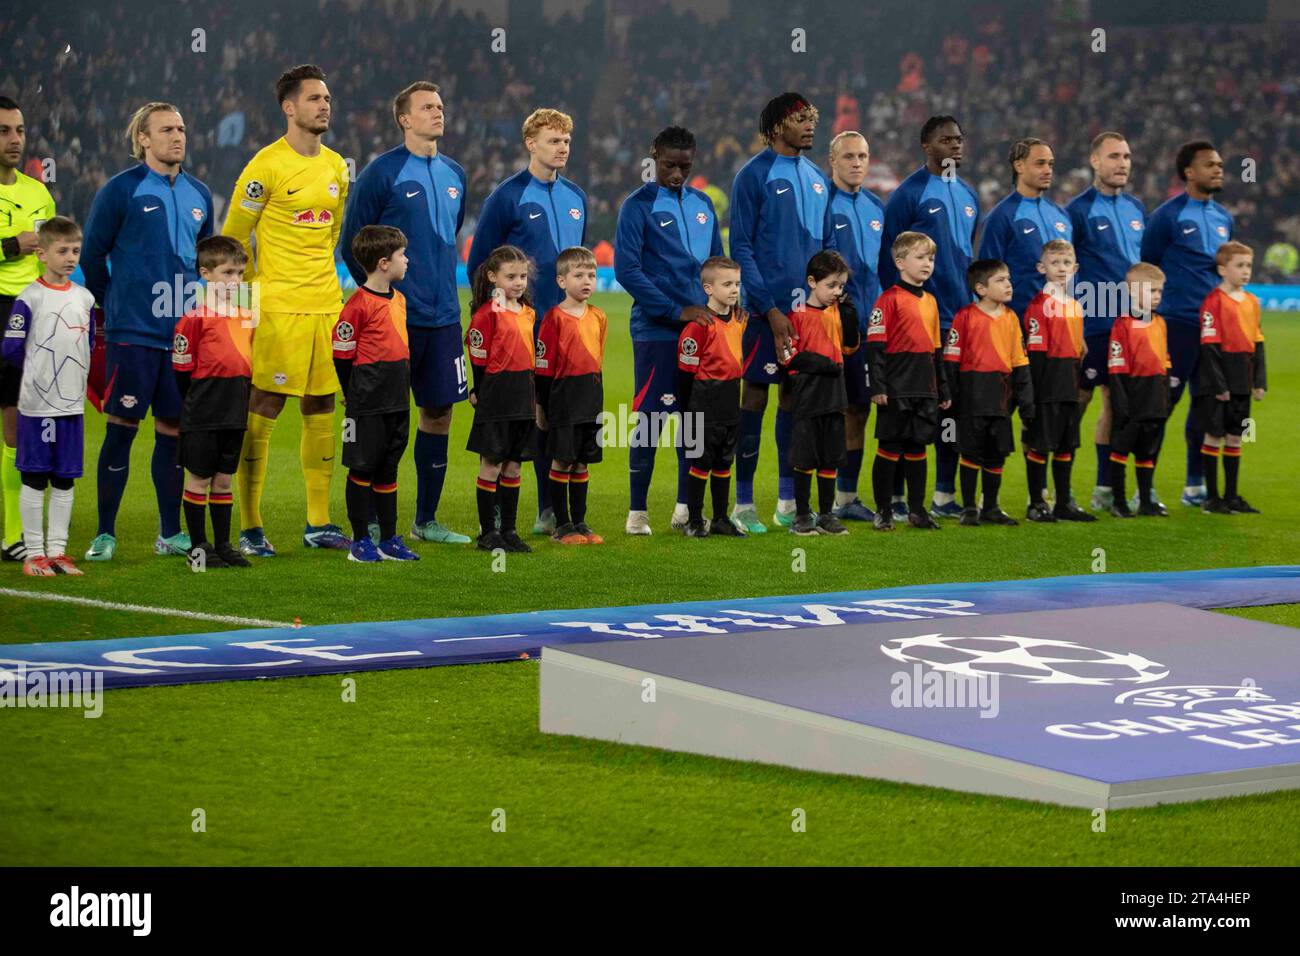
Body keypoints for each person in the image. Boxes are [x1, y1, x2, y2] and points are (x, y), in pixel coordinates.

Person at [222, 64, 351, 556]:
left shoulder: (337, 166)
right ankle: (251, 527)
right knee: (265, 407)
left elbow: (332, 234)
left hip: (325, 304)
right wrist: (253, 290)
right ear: (289, 107)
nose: (324, 105)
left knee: (322, 405)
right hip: (277, 307)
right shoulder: (265, 166)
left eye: (328, 98)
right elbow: (233, 239)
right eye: (315, 98)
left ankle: (318, 522)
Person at [339, 81, 470, 545]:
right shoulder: (381, 173)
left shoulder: (456, 173)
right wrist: (379, 302)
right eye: (427, 107)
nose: (438, 113)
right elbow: (353, 242)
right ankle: (374, 517)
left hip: (443, 318)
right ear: (404, 118)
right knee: (384, 419)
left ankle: (426, 520)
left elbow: (447, 238)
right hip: (392, 324)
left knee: (438, 414)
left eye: (440, 105)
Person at [81, 101, 213, 561]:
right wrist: (117, 302)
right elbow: (91, 258)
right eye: (166, 130)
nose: (178, 136)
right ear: (143, 138)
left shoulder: (200, 195)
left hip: (180, 333)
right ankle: (104, 532)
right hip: (132, 332)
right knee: (122, 427)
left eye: (181, 128)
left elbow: (205, 264)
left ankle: (170, 532)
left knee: (173, 430)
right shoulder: (120, 191)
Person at [467, 109, 586, 535]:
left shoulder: (577, 197)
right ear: (531, 144)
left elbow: (579, 264)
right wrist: (502, 319)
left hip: (567, 329)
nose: (563, 148)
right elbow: (480, 263)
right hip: (519, 332)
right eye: (554, 140)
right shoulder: (507, 196)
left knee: (559, 416)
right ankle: (520, 512)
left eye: (567, 141)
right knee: (525, 418)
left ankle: (548, 508)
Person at [729, 92, 836, 533]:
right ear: (776, 127)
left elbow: (827, 248)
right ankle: (744, 503)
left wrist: (829, 297)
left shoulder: (817, 177)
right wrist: (769, 308)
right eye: (799, 119)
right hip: (764, 315)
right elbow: (741, 246)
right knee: (754, 396)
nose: (810, 125)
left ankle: (789, 500)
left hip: (808, 314)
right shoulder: (752, 176)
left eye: (812, 117)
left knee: (795, 401)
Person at [614, 126, 721, 535]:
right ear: (653, 156)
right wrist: (676, 310)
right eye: (669, 166)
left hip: (699, 330)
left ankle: (683, 509)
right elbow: (627, 270)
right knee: (651, 420)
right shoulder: (636, 206)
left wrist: (723, 303)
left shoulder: (703, 204)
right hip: (657, 331)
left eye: (684, 166)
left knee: (692, 421)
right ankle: (637, 512)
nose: (677, 174)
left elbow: (716, 264)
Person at [879, 115, 980, 519]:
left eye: (959, 138)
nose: (955, 145)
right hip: (921, 320)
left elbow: (965, 254)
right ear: (927, 146)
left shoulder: (970, 193)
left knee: (953, 409)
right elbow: (890, 254)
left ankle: (943, 495)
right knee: (913, 409)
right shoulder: (909, 193)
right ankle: (902, 497)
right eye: (946, 140)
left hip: (961, 318)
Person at [1141, 140, 1233, 509]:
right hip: (1178, 323)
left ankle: (1196, 486)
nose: (1218, 169)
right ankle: (1144, 487)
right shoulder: (1167, 216)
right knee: (1163, 403)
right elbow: (1149, 262)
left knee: (1208, 406)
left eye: (1221, 164)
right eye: (1210, 164)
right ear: (1188, 172)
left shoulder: (1225, 217)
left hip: (1216, 327)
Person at [1, 217, 94, 576]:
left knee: (65, 478)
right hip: (38, 407)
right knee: (35, 477)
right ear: (41, 254)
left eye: (75, 251)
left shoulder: (85, 298)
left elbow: (87, 343)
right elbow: (10, 348)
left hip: (71, 406)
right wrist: (41, 371)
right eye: (62, 251)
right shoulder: (30, 298)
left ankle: (58, 552)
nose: (70, 257)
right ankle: (33, 554)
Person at [1065, 132, 1147, 512]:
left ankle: (1105, 488)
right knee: (1075, 403)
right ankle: (1057, 490)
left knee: (1118, 406)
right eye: (1114, 156)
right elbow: (1065, 270)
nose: (1123, 163)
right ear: (1095, 161)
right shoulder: (1077, 211)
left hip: (1130, 325)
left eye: (1127, 156)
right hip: (1094, 322)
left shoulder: (1135, 209)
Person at [332, 225, 420, 562]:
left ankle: (388, 538)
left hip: (397, 397)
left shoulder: (399, 299)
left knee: (388, 469)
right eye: (402, 255)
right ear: (384, 262)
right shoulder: (357, 305)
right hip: (367, 402)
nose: (407, 260)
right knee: (361, 468)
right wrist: (351, 393)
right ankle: (359, 540)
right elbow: (341, 354)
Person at [172, 236, 254, 569]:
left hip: (234, 410)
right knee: (199, 479)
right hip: (203, 411)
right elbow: (181, 371)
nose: (235, 281)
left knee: (223, 480)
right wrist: (198, 401)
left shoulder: (246, 316)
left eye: (240, 274)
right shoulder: (193, 319)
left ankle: (223, 545)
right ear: (206, 273)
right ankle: (199, 548)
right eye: (228, 273)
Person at [0, 96, 56, 564]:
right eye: (3, 131)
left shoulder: (39, 193)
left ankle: (13, 532)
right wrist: (8, 244)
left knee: (17, 423)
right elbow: (16, 247)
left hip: (28, 313)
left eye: (18, 130)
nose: (15, 139)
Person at [865, 231, 949, 531]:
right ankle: (884, 511)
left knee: (918, 448)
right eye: (920, 257)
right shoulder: (888, 299)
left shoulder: (931, 301)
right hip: (896, 386)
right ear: (900, 262)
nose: (928, 263)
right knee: (889, 447)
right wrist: (878, 387)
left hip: (924, 386)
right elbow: (875, 347)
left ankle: (917, 511)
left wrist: (943, 387)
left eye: (931, 258)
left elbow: (937, 349)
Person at [944, 259, 1033, 526]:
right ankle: (970, 507)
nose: (1008, 284)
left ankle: (991, 507)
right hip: (972, 395)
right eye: (1001, 280)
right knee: (970, 451)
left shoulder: (1012, 318)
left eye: (1008, 279)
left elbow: (1019, 361)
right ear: (981, 289)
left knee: (997, 452)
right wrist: (951, 396)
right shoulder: (965, 317)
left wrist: (1026, 399)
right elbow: (951, 360)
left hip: (1001, 395)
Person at [824, 131, 885, 523]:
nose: (857, 163)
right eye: (849, 156)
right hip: (828, 325)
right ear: (833, 160)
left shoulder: (878, 207)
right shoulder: (821, 204)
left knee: (859, 410)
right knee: (820, 410)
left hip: (867, 327)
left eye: (863, 155)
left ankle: (846, 497)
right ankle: (801, 497)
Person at [779, 250, 858, 536]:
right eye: (831, 285)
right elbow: (788, 357)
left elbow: (849, 347)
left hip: (835, 396)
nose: (837, 292)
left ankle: (826, 514)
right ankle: (802, 515)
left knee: (830, 457)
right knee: (805, 457)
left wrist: (850, 317)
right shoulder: (797, 315)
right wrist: (821, 364)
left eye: (841, 286)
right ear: (812, 282)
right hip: (808, 395)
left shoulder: (839, 311)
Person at [465, 245, 537, 554]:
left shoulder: (528, 312)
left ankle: (509, 530)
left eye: (522, 276)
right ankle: (488, 532)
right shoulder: (486, 315)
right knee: (491, 464)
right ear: (493, 277)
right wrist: (478, 391)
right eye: (511, 277)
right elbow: (478, 360)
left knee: (514, 467)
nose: (519, 282)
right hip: (496, 396)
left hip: (523, 396)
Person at [536, 247, 608, 545]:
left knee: (582, 462)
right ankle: (562, 525)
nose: (586, 281)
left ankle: (580, 521)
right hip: (563, 398)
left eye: (591, 275)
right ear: (562, 281)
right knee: (562, 461)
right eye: (578, 275)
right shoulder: (553, 318)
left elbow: (597, 359)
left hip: (590, 397)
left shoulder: (599, 317)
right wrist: (541, 406)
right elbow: (543, 368)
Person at [1019, 240, 1096, 522]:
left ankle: (1063, 502)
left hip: (1068, 388)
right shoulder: (1040, 306)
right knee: (1041, 445)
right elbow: (1036, 356)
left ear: (1075, 268)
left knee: (1066, 446)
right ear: (1042, 267)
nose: (1061, 268)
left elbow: (1077, 351)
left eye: (1066, 263)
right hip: (1047, 388)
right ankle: (1036, 503)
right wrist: (1033, 399)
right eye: (1055, 263)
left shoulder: (1075, 306)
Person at [675, 257, 748, 538]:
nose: (734, 290)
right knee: (700, 463)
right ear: (708, 288)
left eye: (737, 284)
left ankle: (719, 518)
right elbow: (684, 373)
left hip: (730, 401)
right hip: (702, 405)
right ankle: (694, 520)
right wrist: (687, 412)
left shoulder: (740, 319)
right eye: (727, 284)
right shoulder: (698, 326)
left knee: (724, 463)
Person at [1194, 242, 1266, 515]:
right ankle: (1212, 498)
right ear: (1223, 269)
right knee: (1214, 435)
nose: (1246, 271)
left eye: (1248, 265)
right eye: (1240, 266)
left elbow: (1258, 344)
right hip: (1219, 381)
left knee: (1236, 437)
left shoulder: (1252, 302)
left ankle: (1232, 496)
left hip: (1242, 380)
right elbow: (1209, 348)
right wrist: (1219, 385)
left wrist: (1259, 381)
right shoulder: (1213, 302)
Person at [978, 138, 1072, 322]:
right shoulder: (1001, 216)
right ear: (1019, 166)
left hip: (1062, 323)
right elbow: (987, 277)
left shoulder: (1062, 216)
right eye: (1040, 164)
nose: (1048, 170)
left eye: (1050, 164)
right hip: (1020, 324)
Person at [1106, 263, 1170, 518]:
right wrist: (1121, 405)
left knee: (1148, 451)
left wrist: (1164, 397)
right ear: (1133, 291)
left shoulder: (1160, 323)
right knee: (1121, 449)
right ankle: (1118, 502)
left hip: (1155, 396)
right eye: (1152, 290)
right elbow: (1116, 367)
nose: (1157, 295)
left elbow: (1164, 362)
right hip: (1132, 395)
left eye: (1160, 291)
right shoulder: (1123, 325)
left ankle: (1145, 501)